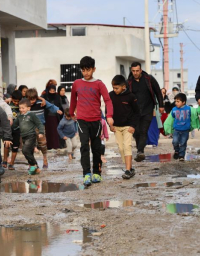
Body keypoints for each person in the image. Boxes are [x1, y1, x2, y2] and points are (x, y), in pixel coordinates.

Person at [69, 56, 114, 186]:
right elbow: (73, 100)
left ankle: (96, 173)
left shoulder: (99, 84)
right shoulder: (77, 83)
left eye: (88, 70)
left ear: (94, 69)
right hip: (82, 120)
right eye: (83, 70)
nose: (86, 73)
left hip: (96, 120)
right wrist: (72, 113)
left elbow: (107, 100)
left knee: (96, 147)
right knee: (84, 146)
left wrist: (109, 115)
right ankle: (86, 174)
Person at [127, 62, 163, 162]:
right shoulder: (129, 82)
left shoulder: (149, 79)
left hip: (148, 109)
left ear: (141, 70)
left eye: (137, 71)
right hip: (135, 112)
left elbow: (157, 92)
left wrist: (161, 105)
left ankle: (140, 151)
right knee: (136, 132)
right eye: (133, 71)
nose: (135, 73)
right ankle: (140, 149)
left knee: (143, 131)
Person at [108, 75, 140, 179]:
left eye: (116, 88)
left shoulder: (131, 96)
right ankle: (130, 168)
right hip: (116, 127)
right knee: (121, 148)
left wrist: (133, 126)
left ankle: (127, 170)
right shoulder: (110, 96)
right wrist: (110, 125)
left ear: (123, 87)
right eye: (113, 88)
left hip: (128, 127)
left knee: (127, 146)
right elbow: (108, 111)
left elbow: (137, 112)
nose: (114, 90)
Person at [27, 88, 61, 169]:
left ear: (36, 97)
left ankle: (45, 158)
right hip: (29, 127)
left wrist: (57, 110)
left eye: (33, 99)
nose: (32, 101)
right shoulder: (26, 104)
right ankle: (31, 163)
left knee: (42, 143)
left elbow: (50, 106)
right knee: (30, 145)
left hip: (40, 126)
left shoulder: (41, 102)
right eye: (30, 99)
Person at [11, 98, 44, 175]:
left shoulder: (31, 115)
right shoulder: (19, 116)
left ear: (28, 108)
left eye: (23, 108)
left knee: (25, 150)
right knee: (29, 152)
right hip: (24, 137)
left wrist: (41, 132)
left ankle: (33, 165)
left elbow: (39, 124)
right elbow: (14, 126)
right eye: (20, 108)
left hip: (31, 136)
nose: (21, 109)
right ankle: (36, 168)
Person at [4, 90, 22, 170]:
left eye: (18, 101)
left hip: (17, 129)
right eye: (14, 101)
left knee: (15, 147)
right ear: (12, 98)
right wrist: (7, 100)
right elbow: (1, 104)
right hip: (8, 129)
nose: (16, 103)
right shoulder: (7, 104)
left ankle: (11, 164)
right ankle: (4, 161)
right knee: (6, 144)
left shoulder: (22, 105)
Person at [42, 85, 63, 150]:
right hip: (47, 117)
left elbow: (60, 106)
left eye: (53, 91)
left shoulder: (57, 97)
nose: (52, 92)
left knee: (55, 132)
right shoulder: (45, 97)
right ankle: (49, 146)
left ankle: (56, 145)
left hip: (55, 117)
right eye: (50, 90)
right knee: (48, 132)